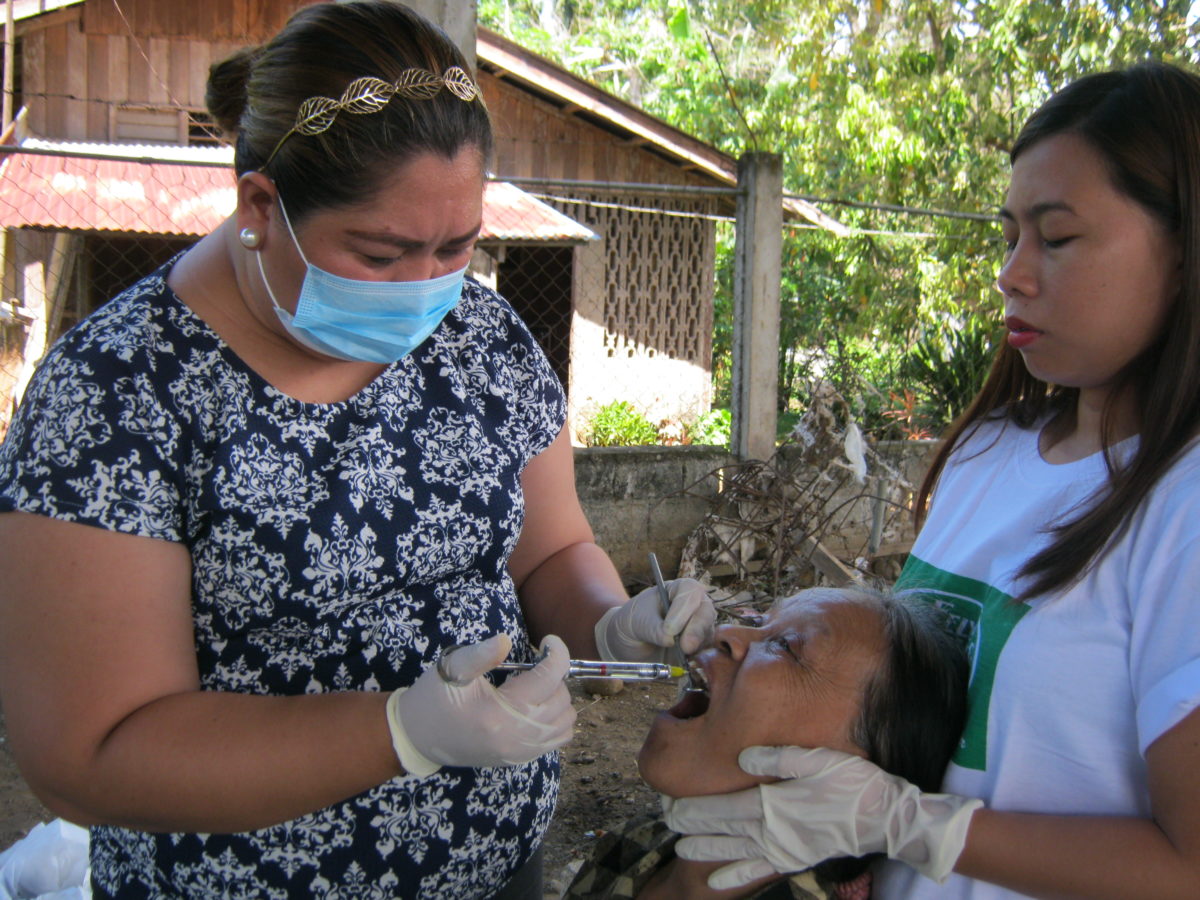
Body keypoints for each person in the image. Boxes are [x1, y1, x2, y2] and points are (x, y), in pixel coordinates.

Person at [0, 3, 714, 898]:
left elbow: (552, 552)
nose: (424, 291)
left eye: (456, 248)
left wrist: (609, 622)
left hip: (493, 869)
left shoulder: (483, 342)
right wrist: (402, 732)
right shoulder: (118, 393)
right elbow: (89, 754)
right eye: (381, 254)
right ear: (261, 206)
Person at [662, 61, 1200, 899]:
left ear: (1184, 254)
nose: (1012, 273)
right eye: (1009, 236)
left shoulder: (1184, 509)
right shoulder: (991, 450)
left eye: (1057, 238)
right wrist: (854, 845)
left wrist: (913, 825)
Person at [564, 586, 969, 899]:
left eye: (785, 646)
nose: (724, 633)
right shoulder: (638, 844)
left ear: (854, 772)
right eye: (760, 620)